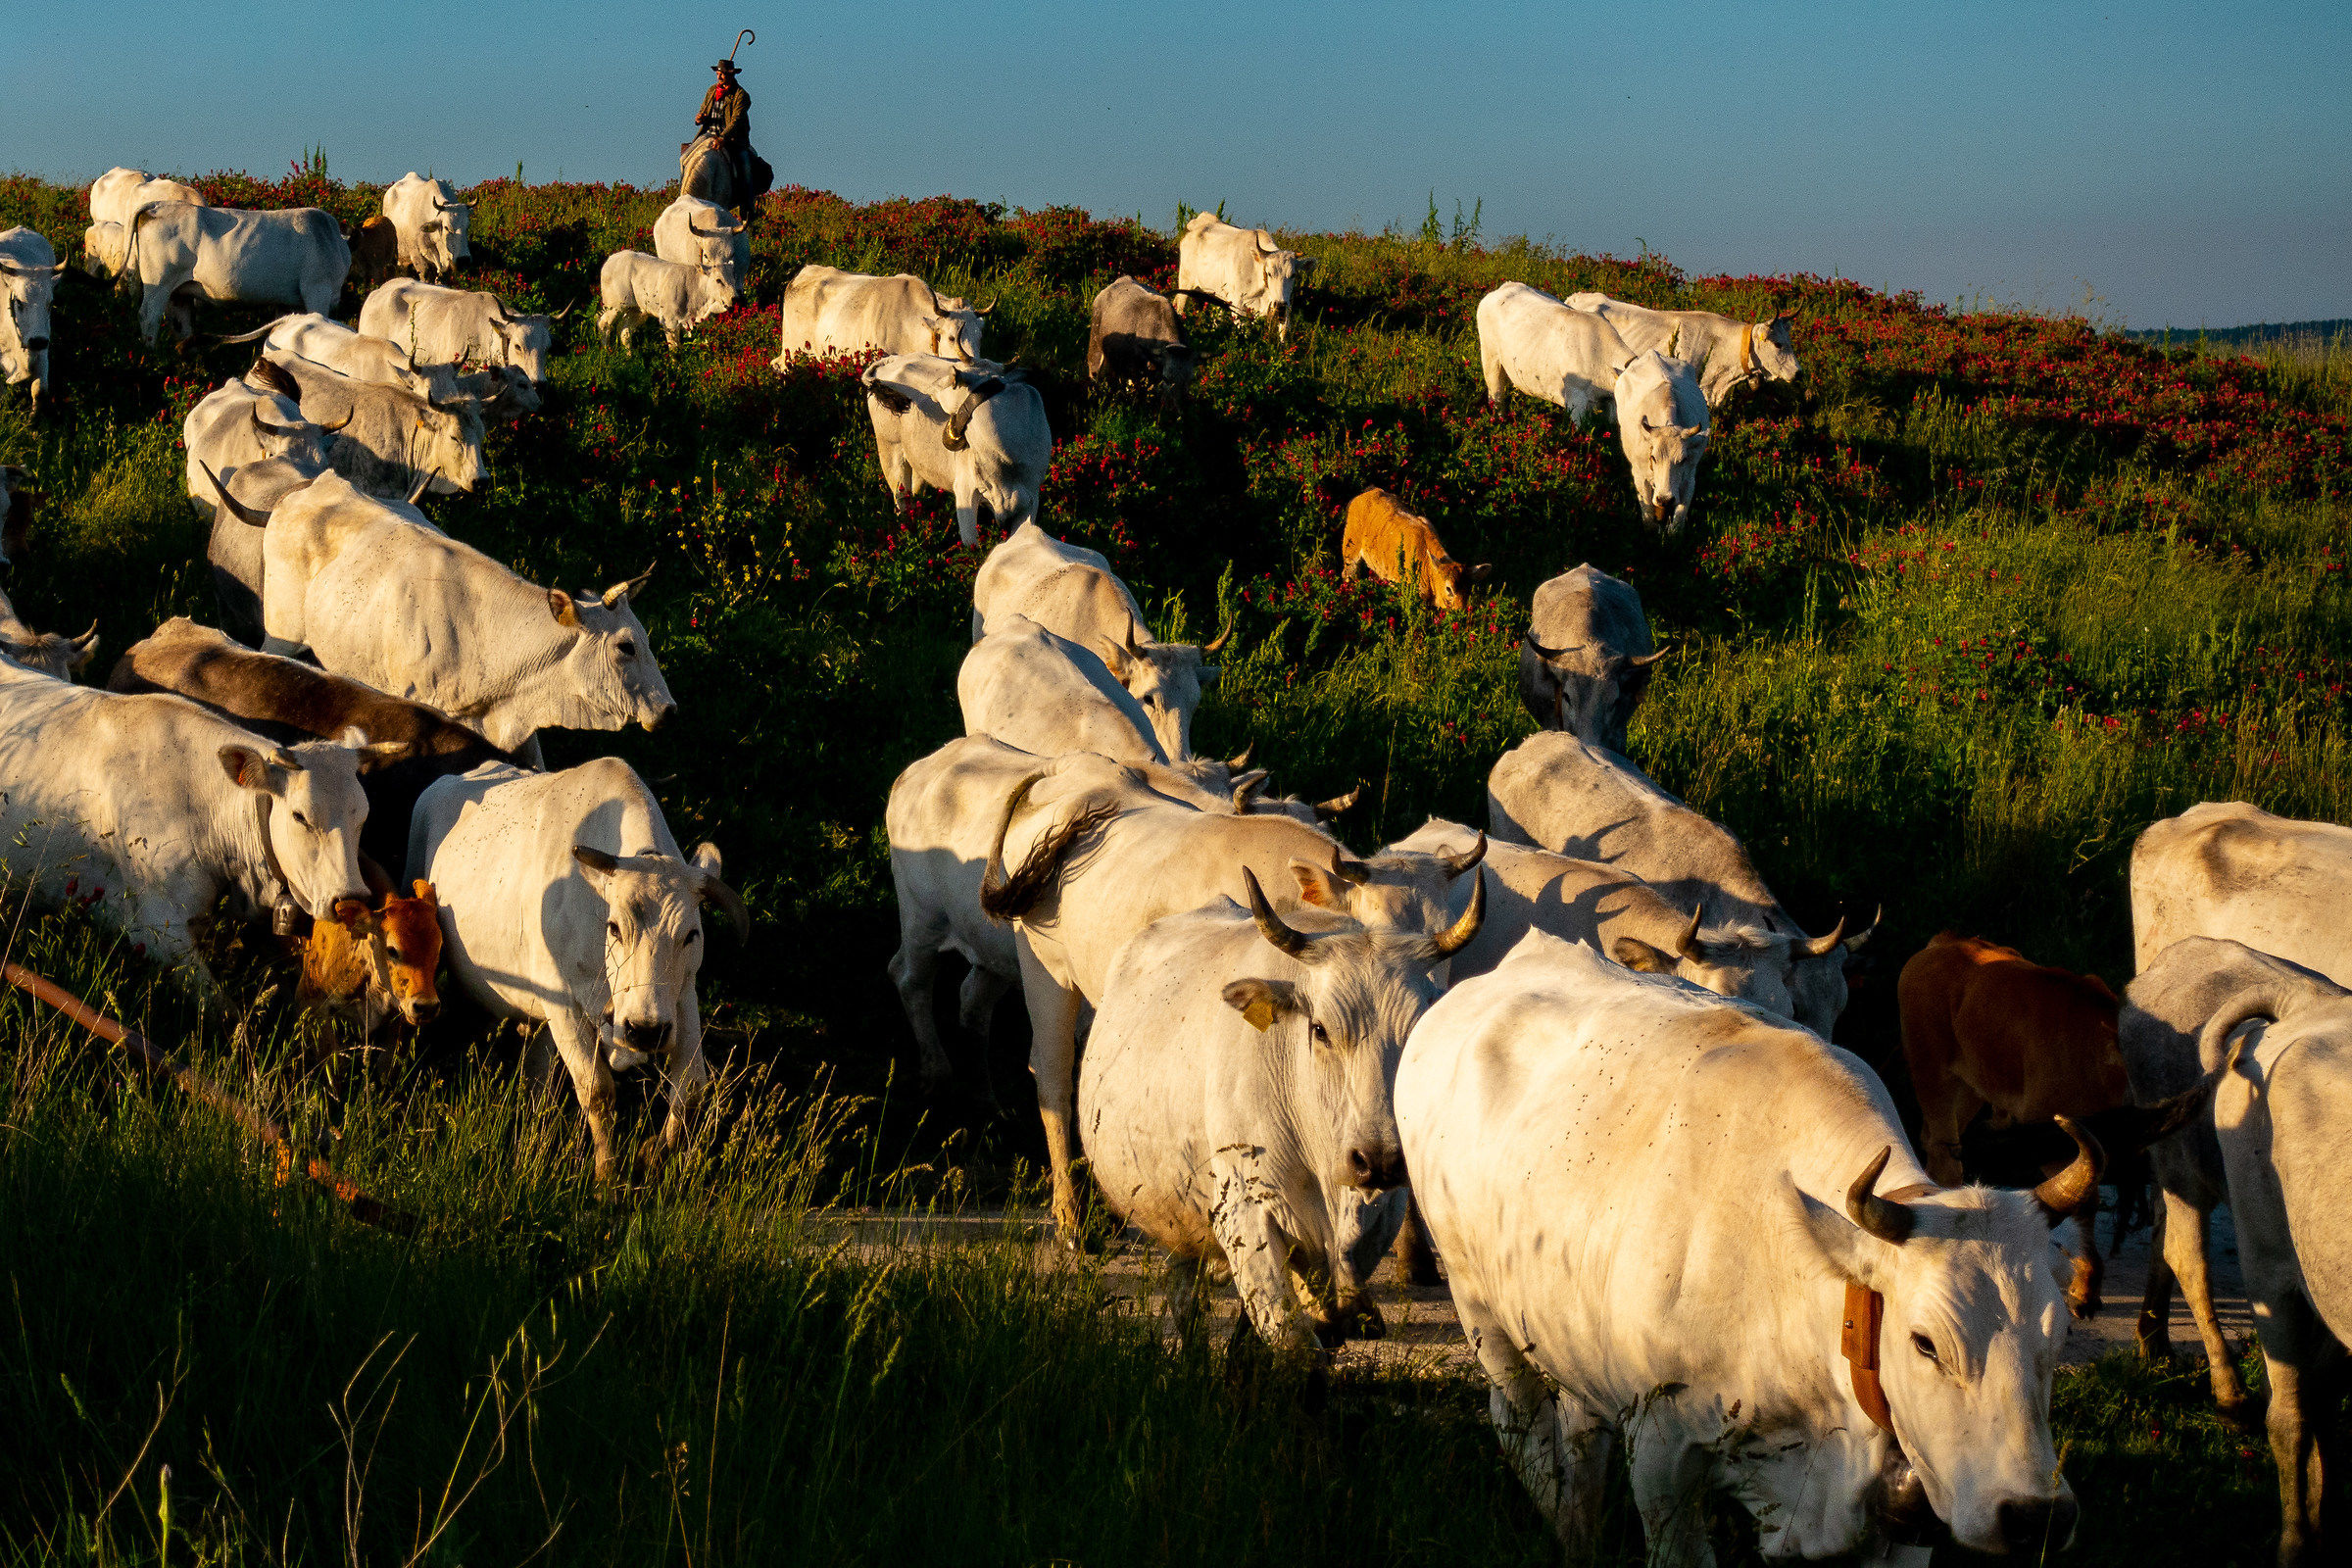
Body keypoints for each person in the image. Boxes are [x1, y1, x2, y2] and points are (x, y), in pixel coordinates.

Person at [696, 60, 753, 215]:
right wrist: (700, 118)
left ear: (731, 75)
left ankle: (747, 212)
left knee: (745, 172)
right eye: (718, 73)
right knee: (684, 158)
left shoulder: (741, 95)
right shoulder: (712, 91)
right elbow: (704, 110)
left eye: (722, 74)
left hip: (732, 140)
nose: (719, 76)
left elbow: (736, 121)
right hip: (708, 135)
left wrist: (723, 138)